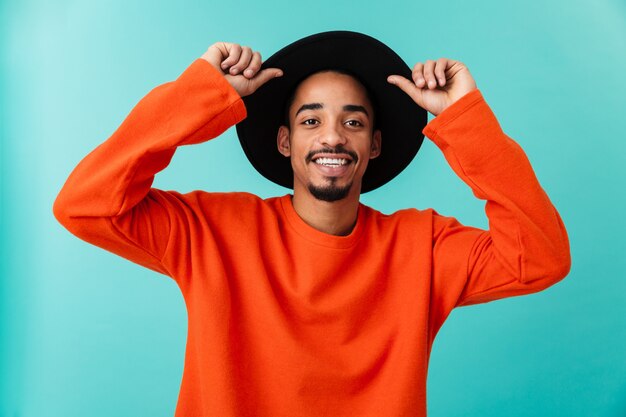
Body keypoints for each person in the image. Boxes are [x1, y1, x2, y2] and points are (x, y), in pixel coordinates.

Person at [53, 31, 571, 417]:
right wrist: (200, 94)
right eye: (310, 121)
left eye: (353, 122)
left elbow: (539, 257)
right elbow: (85, 204)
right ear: (285, 143)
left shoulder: (423, 246)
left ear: (374, 145)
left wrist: (463, 117)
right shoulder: (210, 230)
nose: (333, 137)